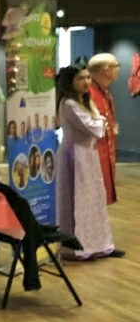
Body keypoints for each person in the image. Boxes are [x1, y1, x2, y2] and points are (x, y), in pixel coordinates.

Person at [55, 65, 117, 260]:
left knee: (93, 200)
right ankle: (76, 246)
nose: (86, 82)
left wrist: (100, 122)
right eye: (80, 78)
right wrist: (101, 122)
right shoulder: (68, 104)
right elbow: (95, 128)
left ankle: (97, 243)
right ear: (70, 82)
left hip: (88, 155)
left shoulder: (86, 102)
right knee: (77, 201)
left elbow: (99, 122)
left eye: (87, 78)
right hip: (74, 155)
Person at [88, 53, 121, 208]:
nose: (118, 70)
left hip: (106, 153)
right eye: (116, 66)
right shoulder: (88, 94)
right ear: (106, 70)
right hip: (92, 156)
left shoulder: (105, 92)